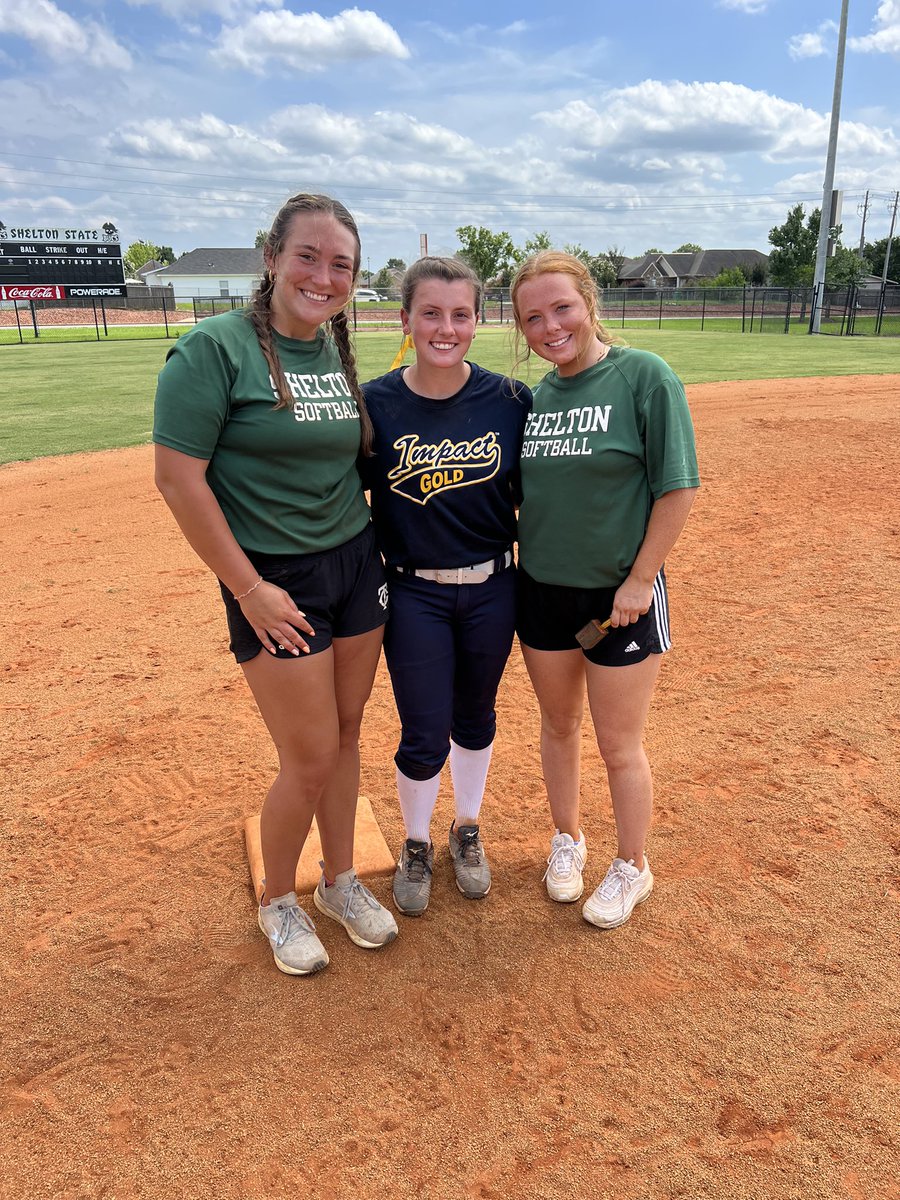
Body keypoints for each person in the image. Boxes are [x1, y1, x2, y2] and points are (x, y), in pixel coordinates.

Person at [153, 192, 397, 975]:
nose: (324, 277)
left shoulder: (332, 351)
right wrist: (248, 589)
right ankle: (278, 901)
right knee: (310, 754)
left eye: (341, 265)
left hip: (355, 564)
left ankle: (339, 882)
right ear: (271, 257)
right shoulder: (213, 349)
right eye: (308, 257)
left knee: (348, 733)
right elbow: (178, 479)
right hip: (274, 580)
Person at [510, 250, 699, 929]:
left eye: (562, 307)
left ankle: (632, 865)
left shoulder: (643, 376)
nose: (550, 327)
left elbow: (677, 487)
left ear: (589, 303)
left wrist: (641, 579)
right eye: (533, 317)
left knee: (619, 744)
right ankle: (567, 839)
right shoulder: (533, 400)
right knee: (558, 724)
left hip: (620, 598)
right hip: (542, 591)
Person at [361, 257, 532, 915]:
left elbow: (541, 497)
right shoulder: (375, 404)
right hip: (414, 593)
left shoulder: (510, 400)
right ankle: (415, 841)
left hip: (493, 585)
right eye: (430, 313)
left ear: (478, 320)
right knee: (423, 730)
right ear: (404, 320)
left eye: (461, 314)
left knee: (476, 716)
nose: (446, 328)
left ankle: (466, 828)